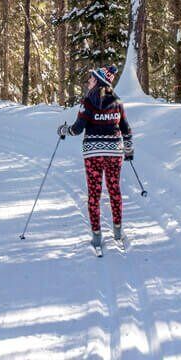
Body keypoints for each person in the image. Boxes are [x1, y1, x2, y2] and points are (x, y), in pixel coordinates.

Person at [59, 65, 133, 251]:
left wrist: (63, 130)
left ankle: (97, 237)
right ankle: (117, 232)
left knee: (94, 193)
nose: (88, 81)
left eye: (91, 78)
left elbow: (77, 129)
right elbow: (126, 128)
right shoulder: (117, 101)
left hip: (93, 154)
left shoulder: (88, 102)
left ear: (98, 81)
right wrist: (129, 150)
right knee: (114, 189)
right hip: (115, 153)